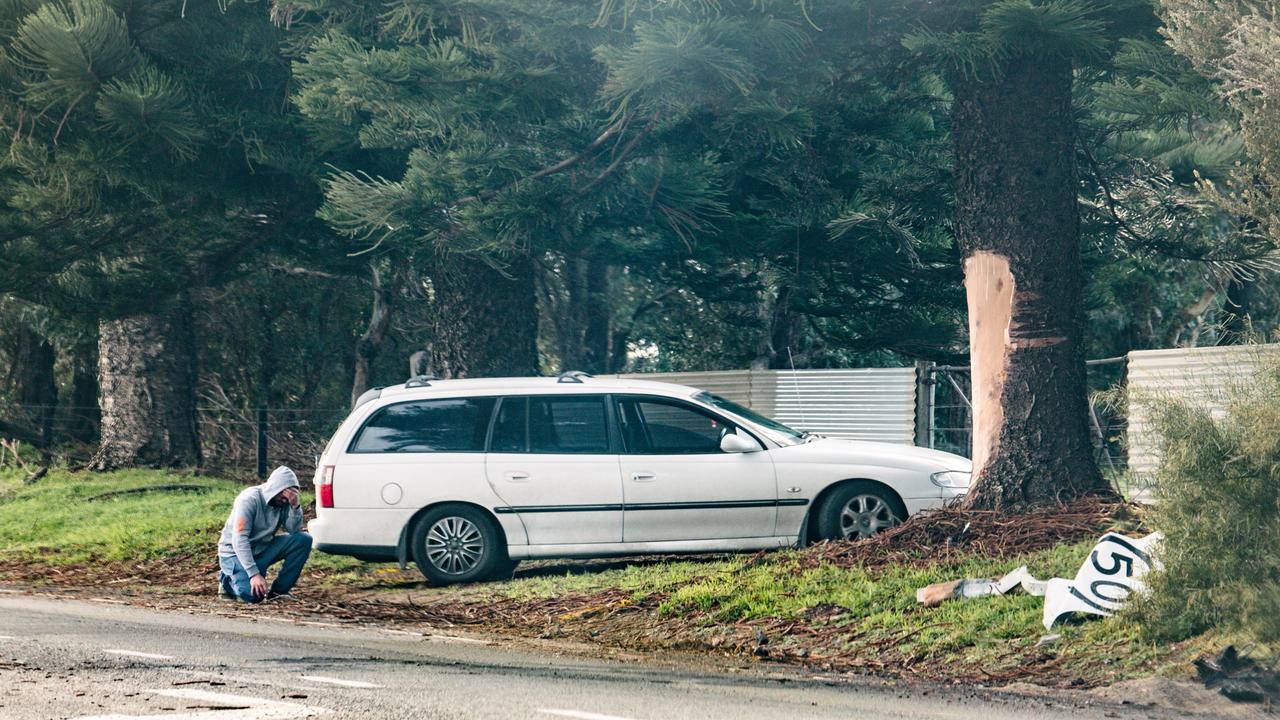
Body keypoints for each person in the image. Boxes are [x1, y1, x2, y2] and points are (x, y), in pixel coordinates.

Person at [217, 466, 312, 602]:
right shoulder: (249, 499)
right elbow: (239, 540)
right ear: (274, 488)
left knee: (303, 540)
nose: (285, 500)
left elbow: (294, 530)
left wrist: (295, 506)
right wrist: (254, 574)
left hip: (262, 548)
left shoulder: (285, 502)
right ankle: (227, 581)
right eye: (283, 494)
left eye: (289, 496)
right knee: (254, 596)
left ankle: (279, 592)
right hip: (234, 553)